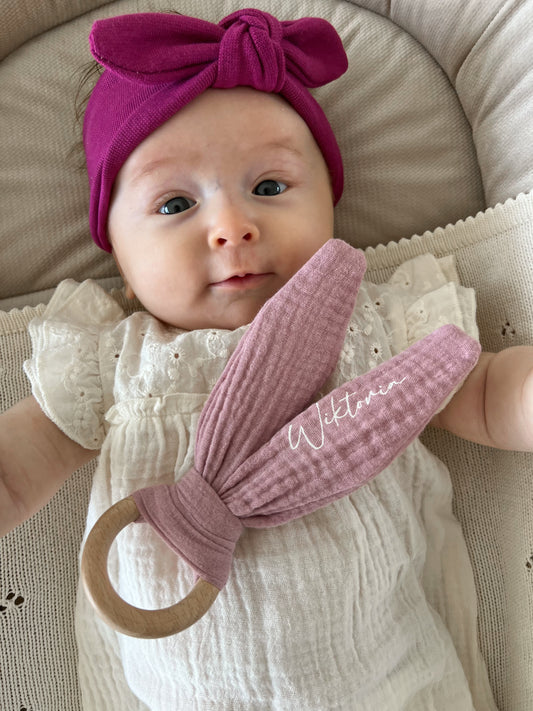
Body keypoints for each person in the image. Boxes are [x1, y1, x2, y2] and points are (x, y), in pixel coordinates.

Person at [0, 8, 532, 710]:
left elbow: (485, 394)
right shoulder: (117, 363)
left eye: (271, 188)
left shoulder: (367, 325)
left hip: (386, 681)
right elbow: (18, 469)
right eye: (175, 204)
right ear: (121, 263)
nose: (232, 226)